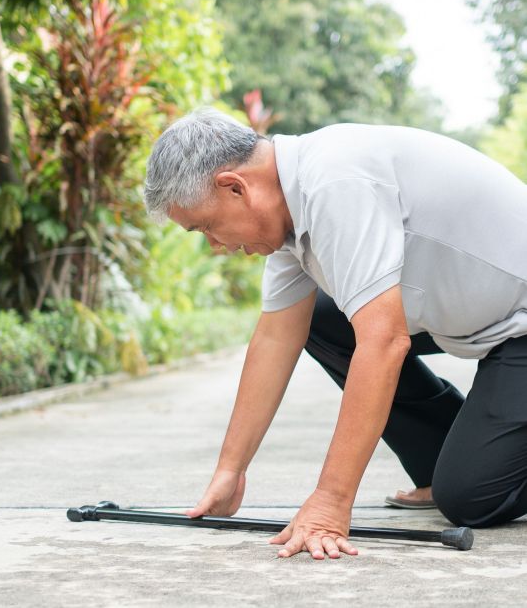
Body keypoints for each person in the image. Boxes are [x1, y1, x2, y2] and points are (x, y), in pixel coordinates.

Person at [143, 107, 527, 560]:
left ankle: (479, 472)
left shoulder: (335, 182)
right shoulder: (290, 210)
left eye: (206, 226)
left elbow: (383, 342)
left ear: (235, 187)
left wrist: (330, 502)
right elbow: (275, 338)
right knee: (322, 320)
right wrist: (231, 470)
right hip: (489, 314)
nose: (215, 245)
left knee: (471, 500)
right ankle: (450, 459)